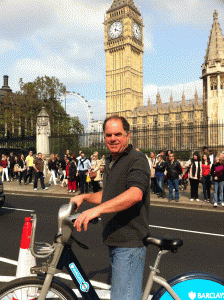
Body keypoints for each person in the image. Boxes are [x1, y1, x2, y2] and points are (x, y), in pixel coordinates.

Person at [71, 115, 150, 300]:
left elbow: (135, 194)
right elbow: (108, 196)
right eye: (108, 135)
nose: (113, 138)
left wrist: (96, 211)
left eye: (118, 134)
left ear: (128, 135)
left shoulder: (137, 159)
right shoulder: (110, 161)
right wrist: (85, 197)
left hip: (129, 243)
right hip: (115, 242)